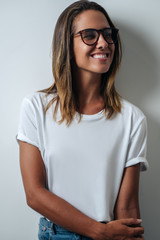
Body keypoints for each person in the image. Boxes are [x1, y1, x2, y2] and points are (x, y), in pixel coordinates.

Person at [17, 0, 148, 239]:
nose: (103, 43)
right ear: (67, 44)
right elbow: (34, 194)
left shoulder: (132, 118)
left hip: (111, 233)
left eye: (108, 35)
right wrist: (98, 231)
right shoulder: (36, 107)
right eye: (89, 35)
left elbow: (127, 209)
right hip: (58, 233)